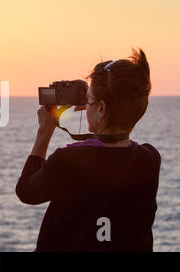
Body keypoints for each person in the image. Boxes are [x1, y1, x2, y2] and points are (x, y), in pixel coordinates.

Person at [15, 49, 161, 252]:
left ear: (101, 109)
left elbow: (26, 191)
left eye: (89, 100)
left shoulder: (66, 161)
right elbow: (109, 153)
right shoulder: (149, 160)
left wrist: (44, 132)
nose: (84, 107)